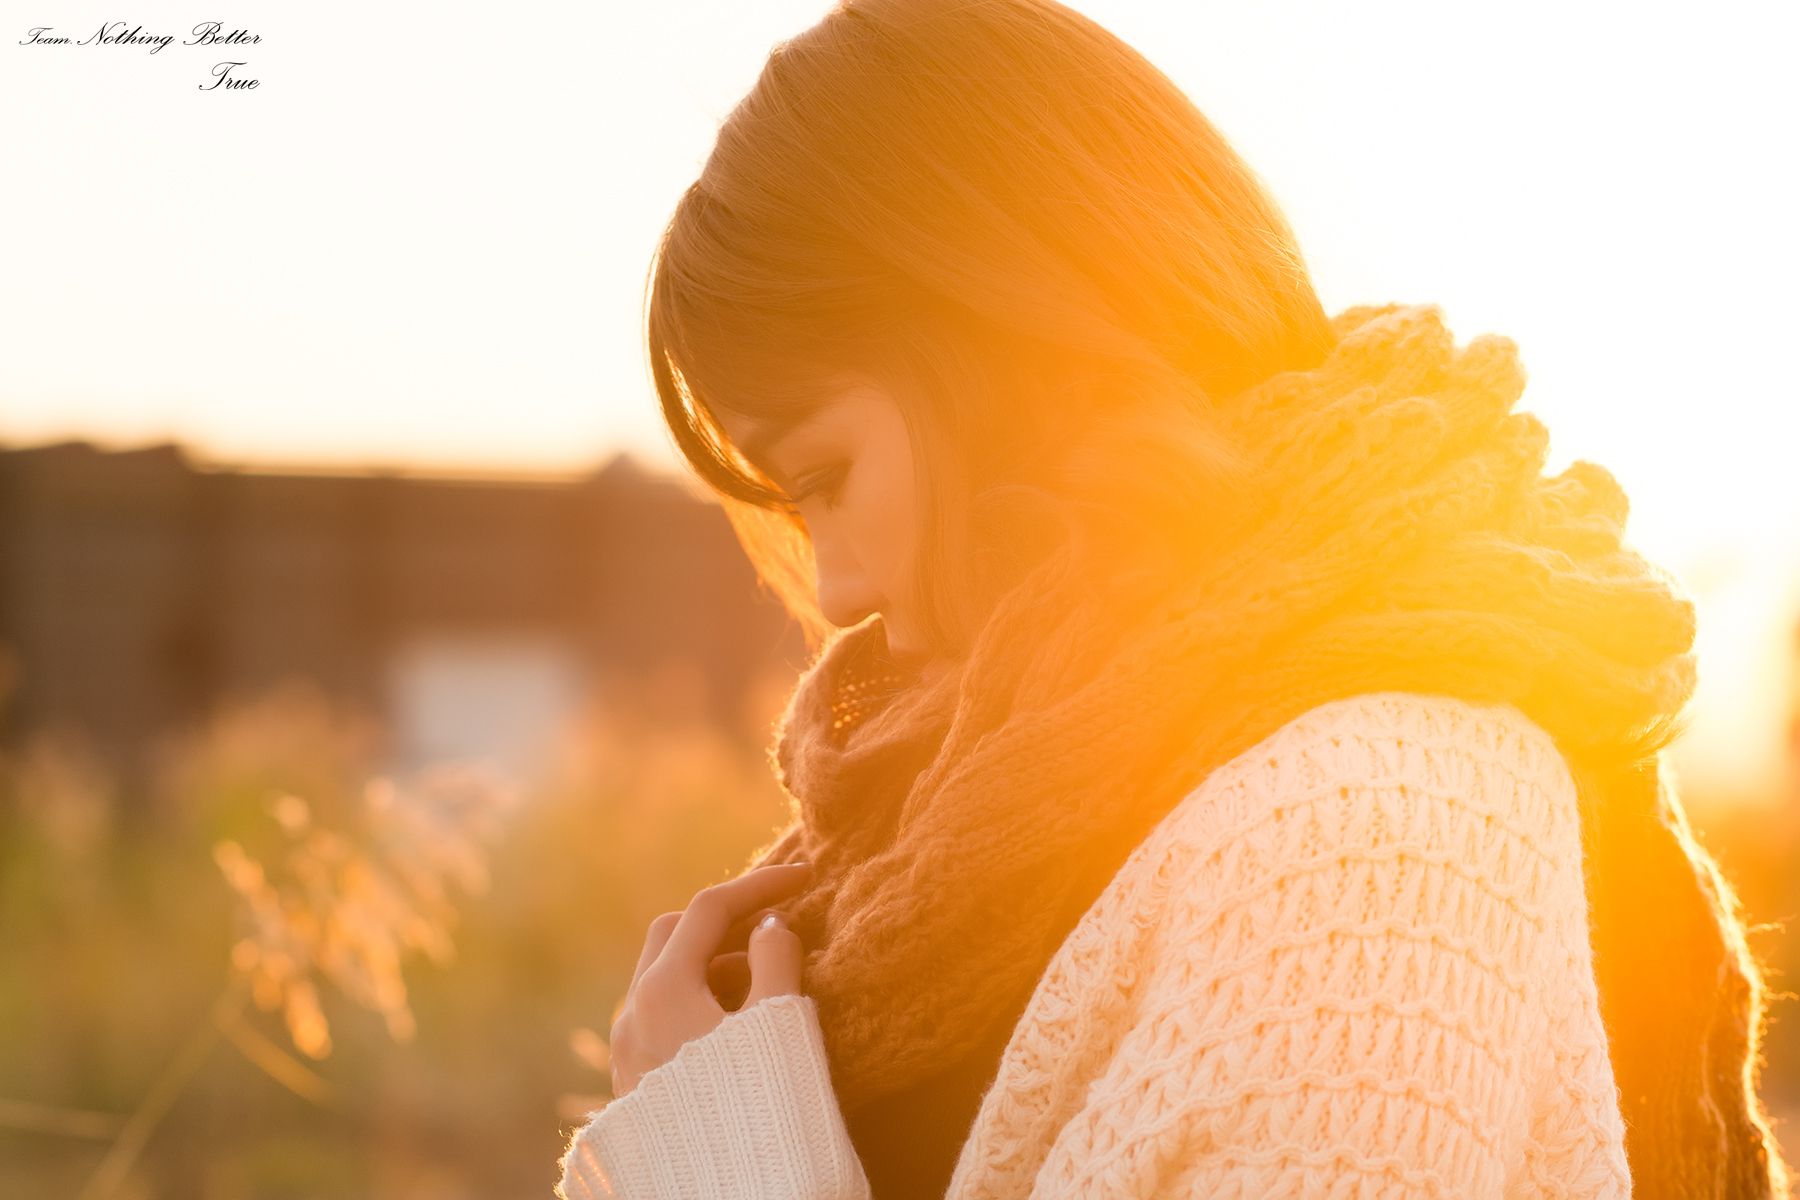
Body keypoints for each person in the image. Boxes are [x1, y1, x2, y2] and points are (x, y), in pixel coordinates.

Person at [557, 0, 1792, 1195]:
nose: (836, 591)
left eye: (826, 475)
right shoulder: (990, 839)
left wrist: (726, 1171)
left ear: (1019, 351)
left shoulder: (1380, 822)